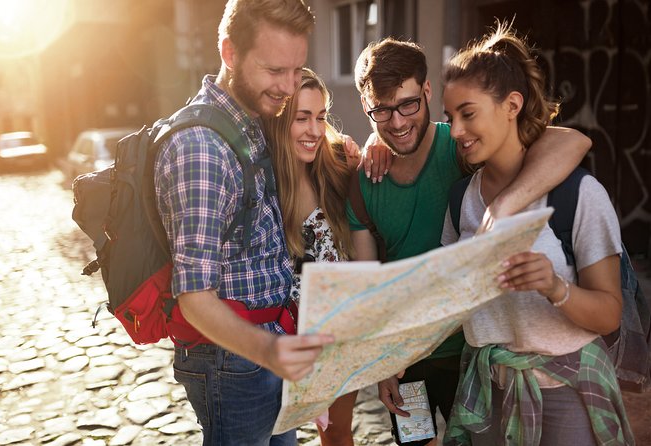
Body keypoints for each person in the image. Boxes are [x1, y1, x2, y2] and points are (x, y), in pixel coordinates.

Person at [348, 37, 592, 444]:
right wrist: (382, 361)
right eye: (381, 110)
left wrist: (506, 206)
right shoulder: (363, 183)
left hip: (475, 354)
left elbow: (573, 141)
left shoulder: (463, 144)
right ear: (365, 107)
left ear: (427, 92)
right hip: (409, 360)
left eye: (408, 103)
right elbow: (369, 286)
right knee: (416, 442)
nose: (396, 122)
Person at [440, 22, 634, 446]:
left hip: (567, 396)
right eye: (449, 117)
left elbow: (609, 314)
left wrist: (555, 287)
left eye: (468, 114)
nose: (455, 131)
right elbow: (452, 305)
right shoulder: (461, 201)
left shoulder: (578, 194)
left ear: (512, 105)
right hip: (487, 391)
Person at [153, 1, 334, 444]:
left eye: (297, 70)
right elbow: (194, 296)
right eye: (275, 70)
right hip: (232, 361)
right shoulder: (201, 147)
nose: (289, 87)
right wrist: (271, 351)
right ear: (229, 52)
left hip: (264, 348)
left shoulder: (252, 115)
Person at [264, 67, 384, 446]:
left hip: (333, 332)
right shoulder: (262, 179)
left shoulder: (334, 166)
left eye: (320, 117)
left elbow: (374, 172)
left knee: (335, 434)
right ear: (281, 120)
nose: (314, 130)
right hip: (277, 337)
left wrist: (373, 146)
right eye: (302, 118)